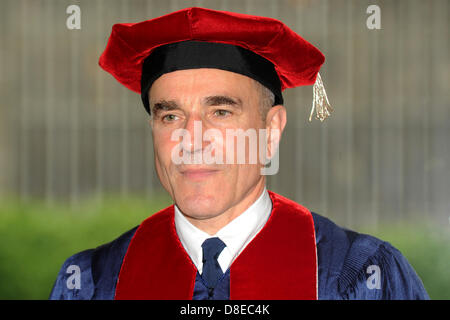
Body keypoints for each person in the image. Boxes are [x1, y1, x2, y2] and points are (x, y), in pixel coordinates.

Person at [49, 7, 429, 300]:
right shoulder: (92, 281)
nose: (191, 140)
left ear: (271, 131)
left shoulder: (360, 275)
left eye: (221, 112)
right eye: (170, 115)